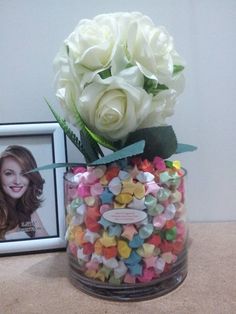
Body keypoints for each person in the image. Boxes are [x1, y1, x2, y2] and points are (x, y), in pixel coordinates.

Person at [0, 145, 48, 240]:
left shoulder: (26, 208)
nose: (17, 181)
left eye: (24, 174)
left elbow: (46, 243)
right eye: (9, 173)